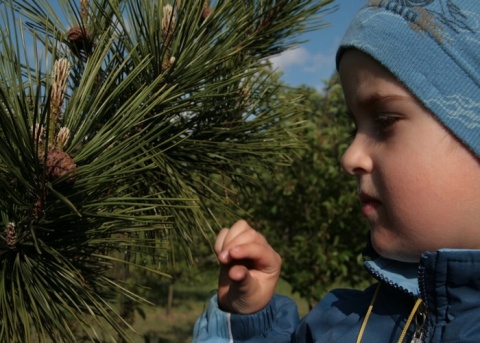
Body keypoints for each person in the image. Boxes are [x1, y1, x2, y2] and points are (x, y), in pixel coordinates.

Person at [192, 0, 480, 341]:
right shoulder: (340, 323)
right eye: (353, 128)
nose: (350, 156)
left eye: (384, 121)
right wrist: (249, 316)